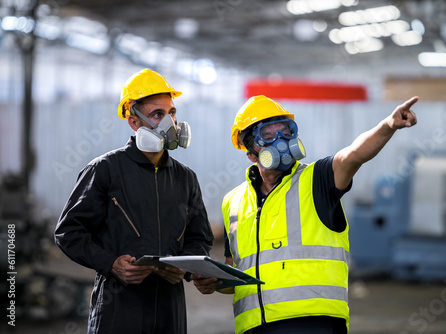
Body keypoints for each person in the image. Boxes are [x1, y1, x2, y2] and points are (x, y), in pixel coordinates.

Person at [192, 95, 418, 334]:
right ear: (250, 152)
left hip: (314, 323)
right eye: (267, 136)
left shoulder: (317, 179)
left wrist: (388, 125)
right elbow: (234, 270)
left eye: (286, 131)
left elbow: (353, 155)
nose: (280, 140)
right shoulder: (233, 202)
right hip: (255, 327)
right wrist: (214, 282)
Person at [54, 68, 214, 334]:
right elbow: (68, 232)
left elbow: (201, 237)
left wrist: (184, 267)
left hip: (170, 310)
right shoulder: (104, 170)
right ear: (134, 121)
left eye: (171, 112)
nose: (169, 123)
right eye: (157, 114)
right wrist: (111, 264)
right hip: (118, 308)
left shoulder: (186, 178)